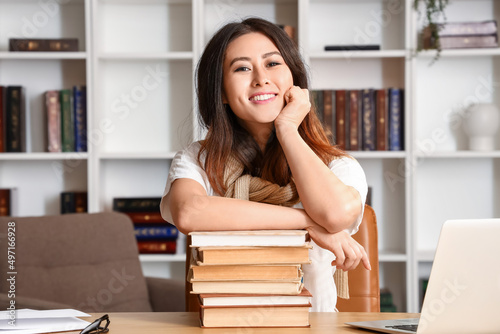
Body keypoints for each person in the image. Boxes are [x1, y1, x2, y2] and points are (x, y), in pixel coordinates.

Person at [160, 17, 370, 312]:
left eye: (273, 64)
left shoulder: (335, 165)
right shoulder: (198, 160)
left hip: (314, 329)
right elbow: (189, 211)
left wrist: (287, 129)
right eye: (242, 68)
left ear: (294, 79)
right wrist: (308, 224)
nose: (260, 78)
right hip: (225, 329)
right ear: (220, 91)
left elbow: (334, 216)